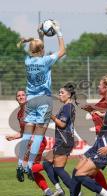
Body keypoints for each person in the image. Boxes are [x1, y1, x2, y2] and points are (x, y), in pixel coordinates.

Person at [57, 82, 107, 196]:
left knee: (80, 174)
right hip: (98, 144)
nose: (106, 90)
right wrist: (93, 109)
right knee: (75, 171)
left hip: (105, 147)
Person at [16, 20, 65, 180]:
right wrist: (58, 32)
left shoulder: (28, 61)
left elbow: (38, 48)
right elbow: (62, 51)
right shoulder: (45, 61)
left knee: (26, 135)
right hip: (44, 100)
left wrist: (39, 36)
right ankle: (29, 166)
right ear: (42, 50)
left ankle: (19, 164)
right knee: (38, 136)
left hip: (30, 100)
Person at [6, 89, 55, 196]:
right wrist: (13, 137)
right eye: (18, 95)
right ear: (16, 98)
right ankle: (47, 192)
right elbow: (24, 132)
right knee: (32, 169)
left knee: (26, 168)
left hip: (38, 141)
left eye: (23, 95)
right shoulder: (19, 114)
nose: (21, 97)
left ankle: (51, 165)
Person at [32, 83, 78, 196]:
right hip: (62, 140)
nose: (60, 94)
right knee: (47, 163)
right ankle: (59, 189)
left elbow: (62, 124)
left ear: (68, 95)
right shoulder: (66, 106)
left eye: (62, 93)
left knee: (58, 169)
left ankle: (75, 191)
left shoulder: (68, 107)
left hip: (64, 141)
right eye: (59, 92)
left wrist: (51, 115)